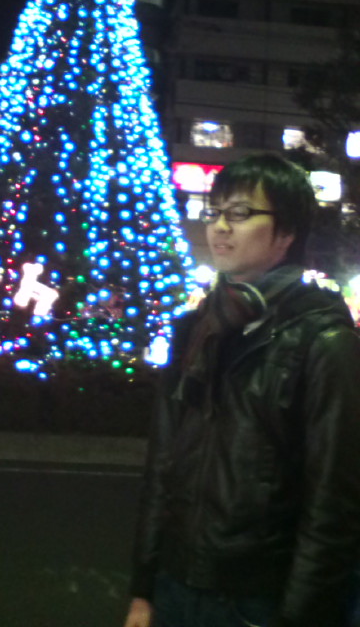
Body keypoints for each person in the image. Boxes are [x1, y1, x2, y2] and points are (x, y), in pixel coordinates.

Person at [124, 153, 360, 627]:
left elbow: (332, 506)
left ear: (287, 232)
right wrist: (144, 590)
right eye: (214, 212)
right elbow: (162, 467)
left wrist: (300, 617)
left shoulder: (324, 340)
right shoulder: (196, 330)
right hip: (174, 588)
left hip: (256, 601)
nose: (219, 227)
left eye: (240, 213)